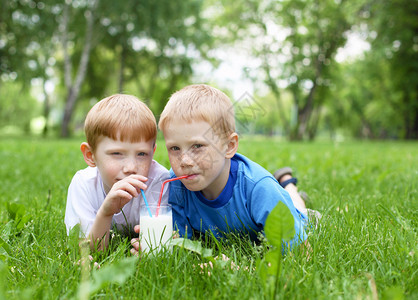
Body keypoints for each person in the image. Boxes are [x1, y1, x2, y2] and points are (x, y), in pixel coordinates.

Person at [131, 84, 316, 254]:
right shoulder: (177, 186)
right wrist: (159, 248)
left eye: (197, 146)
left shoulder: (259, 189)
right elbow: (181, 245)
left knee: (298, 208)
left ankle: (288, 184)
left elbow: (302, 254)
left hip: (289, 209)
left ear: (229, 146)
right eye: (175, 148)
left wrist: (244, 272)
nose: (184, 161)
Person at [65, 94, 170, 251]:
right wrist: (106, 213)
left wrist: (150, 246)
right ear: (90, 155)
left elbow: (157, 245)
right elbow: (88, 250)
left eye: (142, 154)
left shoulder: (157, 180)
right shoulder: (83, 184)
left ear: (152, 152)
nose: (131, 167)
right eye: (117, 154)